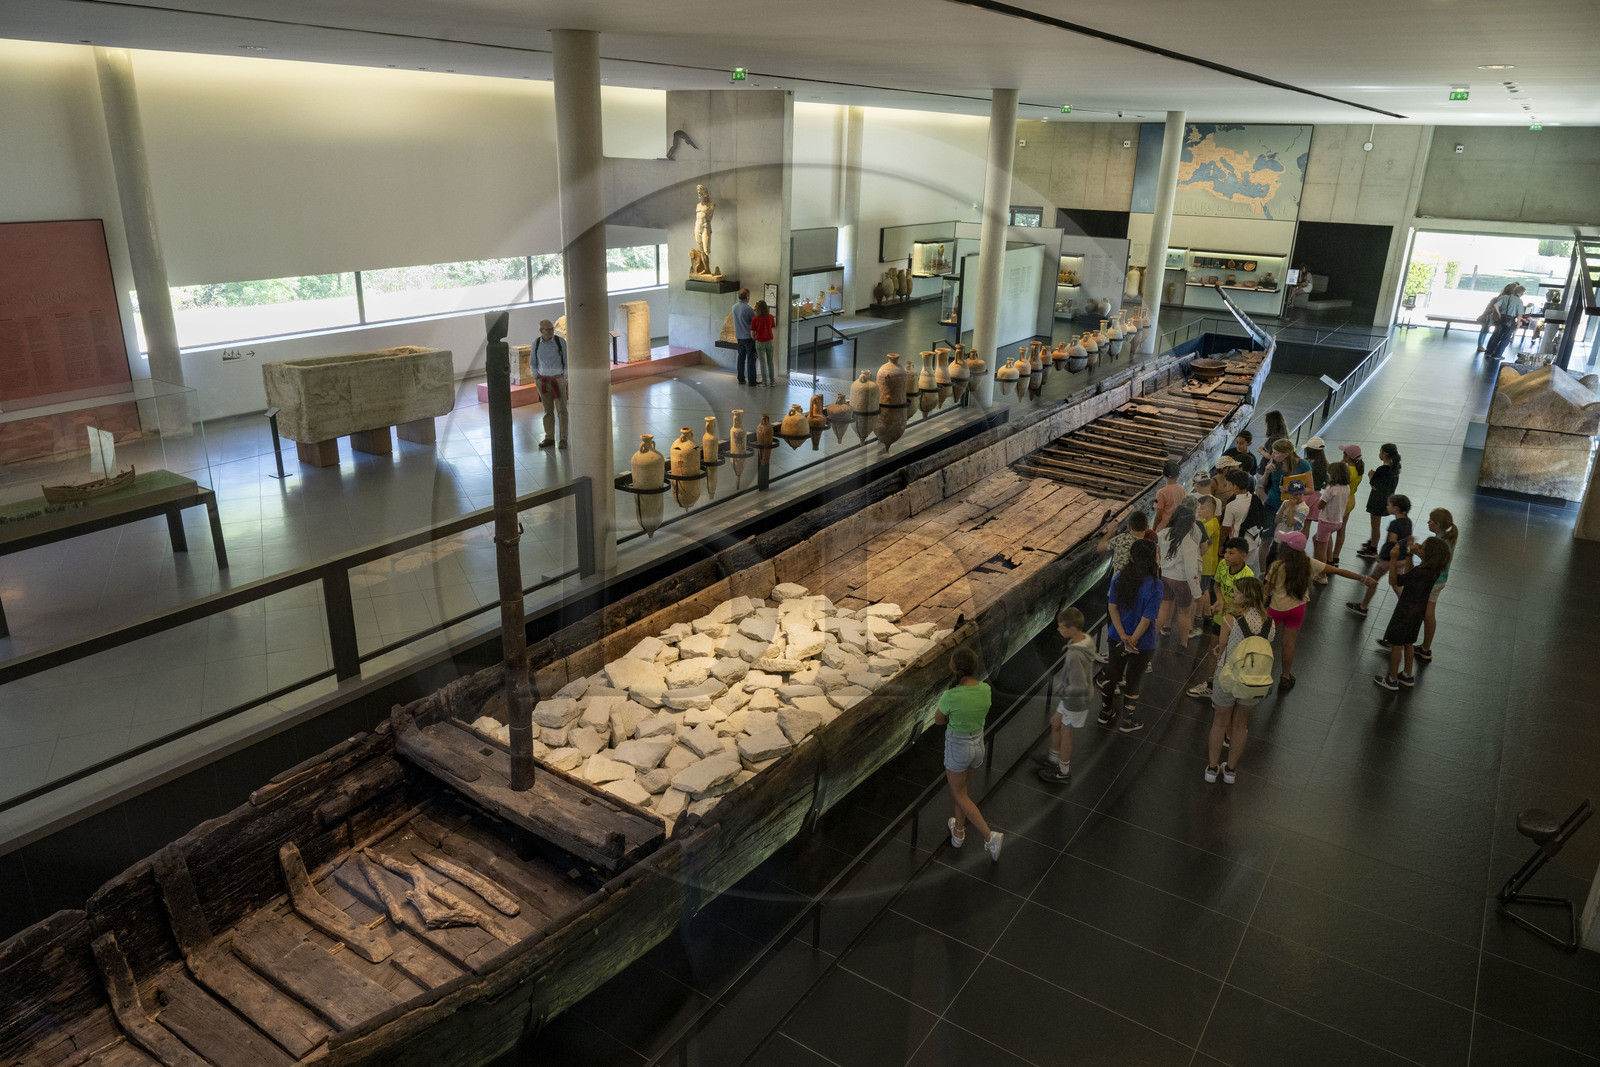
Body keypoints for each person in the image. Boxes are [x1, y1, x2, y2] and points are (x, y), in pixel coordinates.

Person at [1267, 531, 1373, 691]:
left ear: (1285, 549)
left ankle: (1259, 674)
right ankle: (1285, 677)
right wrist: (1363, 578)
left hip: (1276, 609)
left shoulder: (1277, 566)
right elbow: (1337, 571)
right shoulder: (1309, 563)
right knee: (1289, 643)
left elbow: (1266, 590)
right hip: (1298, 609)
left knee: (1262, 640)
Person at [934, 646, 1003, 860]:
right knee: (963, 792)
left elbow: (938, 720)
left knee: (959, 794)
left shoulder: (950, 695)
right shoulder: (985, 689)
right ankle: (958, 833)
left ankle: (989, 837)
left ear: (954, 667)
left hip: (958, 748)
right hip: (978, 746)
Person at [1205, 576, 1274, 784]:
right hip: (1253, 680)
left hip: (1228, 676)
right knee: (1240, 725)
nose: (1233, 595)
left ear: (1245, 595)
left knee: (1219, 723)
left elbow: (1222, 648)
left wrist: (1219, 650)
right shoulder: (1269, 623)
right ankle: (1231, 771)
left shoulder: (1230, 619)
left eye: (1236, 592)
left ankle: (1212, 769)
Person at [1374, 537, 1451, 690]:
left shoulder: (1419, 572)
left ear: (1428, 555)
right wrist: (1410, 554)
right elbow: (1411, 573)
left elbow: (1394, 581)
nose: (1418, 546)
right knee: (1409, 642)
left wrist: (1394, 558)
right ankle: (1407, 674)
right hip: (1418, 612)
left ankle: (1391, 679)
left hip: (1404, 612)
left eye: (1421, 547)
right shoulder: (1433, 571)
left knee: (1396, 644)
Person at [1101, 539, 1161, 734]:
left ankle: (1105, 712)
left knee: (1112, 674)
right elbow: (1146, 619)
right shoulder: (1156, 585)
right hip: (1143, 642)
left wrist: (1122, 636)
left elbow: (1112, 607)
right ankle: (1127, 720)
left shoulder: (1119, 577)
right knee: (1134, 679)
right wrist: (1132, 640)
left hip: (1116, 637)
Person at [1186, 536, 1255, 699]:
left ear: (1243, 556)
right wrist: (1220, 599)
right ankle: (1211, 683)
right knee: (1215, 649)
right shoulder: (1223, 565)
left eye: (1231, 553)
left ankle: (1226, 690)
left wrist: (1232, 614)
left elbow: (1248, 603)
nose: (1226, 556)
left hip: (1236, 621)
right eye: (1226, 552)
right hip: (1221, 617)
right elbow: (1217, 584)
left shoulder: (1248, 576)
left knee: (1231, 653)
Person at [1037, 607, 1096, 784]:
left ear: (1072, 629)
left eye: (1061, 627)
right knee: (1055, 722)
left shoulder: (1074, 654)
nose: (1058, 629)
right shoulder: (1086, 640)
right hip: (1070, 697)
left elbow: (1080, 687)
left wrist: (1062, 689)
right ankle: (1053, 759)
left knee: (1066, 732)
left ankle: (1063, 771)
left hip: (1075, 701)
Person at [1349, 493, 1412, 617]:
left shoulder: (1394, 524)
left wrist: (1382, 555)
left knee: (1373, 580)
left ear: (1396, 508)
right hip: (1402, 559)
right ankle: (1407, 607)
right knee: (1396, 584)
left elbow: (1392, 542)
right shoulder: (1408, 522)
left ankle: (1363, 607)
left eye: (1389, 505)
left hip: (1388, 560)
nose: (1387, 506)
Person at [1157, 498, 1205, 646]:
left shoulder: (1163, 534)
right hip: (1181, 580)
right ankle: (1183, 642)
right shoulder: (1189, 542)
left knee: (1163, 607)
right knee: (1184, 612)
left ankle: (1154, 635)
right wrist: (1197, 592)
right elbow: (1191, 569)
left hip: (1165, 576)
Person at [1414, 508, 1460, 662]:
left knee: (1426, 613)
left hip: (1431, 581)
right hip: (1441, 580)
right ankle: (1425, 648)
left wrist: (1415, 550)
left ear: (1438, 524)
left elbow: (1426, 558)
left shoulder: (1435, 542)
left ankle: (1414, 643)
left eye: (1431, 521)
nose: (1428, 523)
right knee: (1429, 612)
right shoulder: (1448, 539)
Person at [530, 319, 569, 448]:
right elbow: (533, 362)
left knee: (562, 410)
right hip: (543, 381)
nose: (551, 331)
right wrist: (536, 378)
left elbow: (566, 359)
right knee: (547, 411)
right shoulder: (536, 343)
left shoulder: (560, 342)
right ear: (541, 331)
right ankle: (549, 437)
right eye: (548, 329)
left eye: (552, 328)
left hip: (558, 379)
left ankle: (563, 439)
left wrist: (565, 377)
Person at [1357, 444, 1401, 557]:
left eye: (1381, 452)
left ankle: (1373, 548)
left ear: (1385, 454)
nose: (1379, 454)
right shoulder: (1395, 469)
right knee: (1376, 524)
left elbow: (1375, 486)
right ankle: (1372, 541)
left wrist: (1371, 476)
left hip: (1377, 501)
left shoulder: (1381, 470)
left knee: (1375, 525)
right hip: (1386, 500)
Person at [1312, 461, 1350, 574]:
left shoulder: (1331, 489)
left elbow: (1321, 505)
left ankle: (1322, 574)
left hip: (1326, 522)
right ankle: (1315, 564)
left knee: (1322, 549)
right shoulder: (1346, 488)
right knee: (1316, 539)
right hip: (1337, 522)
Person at [1331, 444, 1364, 564]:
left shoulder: (1346, 471)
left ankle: (1328, 557)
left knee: (1328, 530)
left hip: (1340, 502)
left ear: (1348, 456)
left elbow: (1333, 482)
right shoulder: (1358, 470)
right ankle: (1335, 556)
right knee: (1342, 529)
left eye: (1344, 453)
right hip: (1350, 501)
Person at [1259, 438, 1311, 513]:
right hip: (1271, 503)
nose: (1272, 455)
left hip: (1291, 506)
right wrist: (1266, 473)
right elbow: (1263, 483)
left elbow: (1310, 489)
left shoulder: (1303, 464)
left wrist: (1291, 489)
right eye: (1272, 452)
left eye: (1276, 453)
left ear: (1286, 454)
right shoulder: (1274, 462)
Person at [1195, 496, 1222, 629]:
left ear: (1212, 509)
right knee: (1204, 588)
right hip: (1206, 562)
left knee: (1202, 590)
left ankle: (1198, 616)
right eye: (1198, 508)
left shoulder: (1210, 525)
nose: (1199, 511)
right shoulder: (1208, 521)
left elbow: (1204, 543)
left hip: (1206, 562)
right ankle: (1207, 614)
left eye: (1202, 508)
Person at [1484, 284, 1527, 361]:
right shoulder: (1519, 301)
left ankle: (1488, 352)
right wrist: (1517, 325)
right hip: (1510, 320)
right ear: (1521, 293)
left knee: (1495, 336)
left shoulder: (1504, 297)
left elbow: (1496, 305)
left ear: (1514, 291)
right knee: (1505, 338)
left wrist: (1499, 314)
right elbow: (1519, 315)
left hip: (1501, 318)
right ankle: (1497, 355)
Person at [1475, 283, 1519, 354]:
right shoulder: (1502, 299)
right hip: (1492, 317)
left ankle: (1484, 347)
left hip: (1496, 317)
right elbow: (1490, 309)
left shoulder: (1499, 298)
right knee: (1490, 331)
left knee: (1490, 332)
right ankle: (1487, 348)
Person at [732, 289, 757, 385]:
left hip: (739, 336)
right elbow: (754, 320)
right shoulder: (748, 309)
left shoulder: (734, 307)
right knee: (751, 359)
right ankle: (752, 380)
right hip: (748, 337)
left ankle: (741, 378)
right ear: (747, 297)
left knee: (741, 358)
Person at [750, 299, 777, 387]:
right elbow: (772, 327)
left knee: (762, 363)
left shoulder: (755, 318)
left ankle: (764, 382)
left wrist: (755, 338)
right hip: (769, 341)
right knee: (770, 361)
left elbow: (752, 332)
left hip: (760, 342)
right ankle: (772, 381)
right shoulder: (770, 317)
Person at [1153, 458, 1185, 530]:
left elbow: (1159, 516)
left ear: (1163, 475)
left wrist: (1154, 529)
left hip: (1164, 528)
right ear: (1178, 475)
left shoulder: (1161, 493)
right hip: (1176, 526)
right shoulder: (1181, 488)